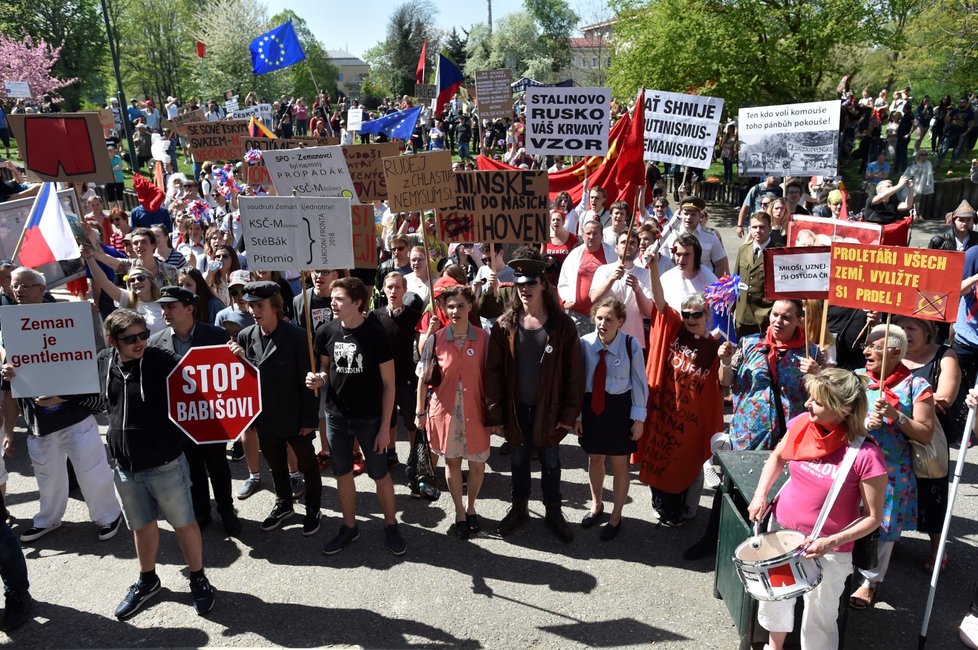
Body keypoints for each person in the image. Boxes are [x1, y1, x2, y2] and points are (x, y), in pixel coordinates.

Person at [747, 369, 887, 650]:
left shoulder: (867, 455)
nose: (807, 404)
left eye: (817, 401)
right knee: (777, 597)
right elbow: (777, 457)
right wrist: (760, 495)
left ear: (844, 409)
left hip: (830, 550)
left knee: (820, 615)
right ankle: (775, 647)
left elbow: (873, 517)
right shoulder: (801, 424)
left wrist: (830, 542)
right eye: (810, 397)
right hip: (782, 534)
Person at [97, 309, 215, 619]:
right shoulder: (103, 363)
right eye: (131, 338)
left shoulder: (160, 359)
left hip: (165, 464)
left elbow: (200, 371)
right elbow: (91, 400)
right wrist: (22, 377)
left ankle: (199, 578)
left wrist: (234, 356)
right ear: (112, 341)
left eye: (144, 335)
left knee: (184, 523)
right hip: (125, 467)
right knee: (141, 526)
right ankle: (147, 580)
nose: (140, 343)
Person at [0, 269, 123, 545]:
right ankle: (48, 520)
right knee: (47, 476)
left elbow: (83, 366)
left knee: (91, 471)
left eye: (25, 286)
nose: (18, 290)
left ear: (41, 289)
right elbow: (9, 387)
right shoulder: (10, 326)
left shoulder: (65, 320)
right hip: (38, 422)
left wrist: (63, 397)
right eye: (15, 286)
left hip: (74, 416)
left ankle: (109, 516)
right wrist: (9, 427)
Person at [485, 251, 584, 542]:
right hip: (516, 410)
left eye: (531, 283)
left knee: (551, 462)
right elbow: (493, 374)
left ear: (543, 284)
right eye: (520, 284)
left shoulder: (563, 326)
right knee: (517, 461)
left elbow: (574, 375)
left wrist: (568, 415)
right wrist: (496, 415)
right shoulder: (505, 325)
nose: (524, 289)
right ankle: (519, 508)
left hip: (550, 411)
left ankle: (554, 510)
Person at [307, 277, 406, 556]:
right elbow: (326, 370)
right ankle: (349, 527)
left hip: (370, 419)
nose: (332, 303)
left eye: (338, 299)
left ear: (358, 302)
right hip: (336, 417)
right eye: (332, 298)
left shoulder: (376, 335)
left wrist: (385, 427)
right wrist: (318, 379)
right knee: (343, 475)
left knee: (380, 475)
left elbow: (389, 384)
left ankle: (390, 524)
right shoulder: (325, 331)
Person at [850, 324, 936, 609]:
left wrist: (896, 416)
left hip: (891, 470)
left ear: (895, 352)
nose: (866, 350)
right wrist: (861, 425)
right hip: (854, 464)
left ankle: (870, 581)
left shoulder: (917, 387)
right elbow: (838, 418)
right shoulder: (856, 379)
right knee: (848, 516)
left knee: (881, 527)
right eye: (867, 345)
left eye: (875, 346)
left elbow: (925, 433)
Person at [638, 261, 728, 526]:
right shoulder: (675, 328)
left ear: (707, 314)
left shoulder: (716, 347)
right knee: (658, 458)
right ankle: (662, 504)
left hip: (692, 420)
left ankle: (688, 509)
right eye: (686, 313)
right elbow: (659, 300)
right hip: (665, 411)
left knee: (688, 462)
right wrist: (653, 268)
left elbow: (725, 382)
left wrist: (726, 361)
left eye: (696, 314)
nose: (690, 319)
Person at [229, 282, 321, 536]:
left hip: (294, 414)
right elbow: (248, 378)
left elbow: (308, 381)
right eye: (251, 305)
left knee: (307, 464)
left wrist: (309, 418)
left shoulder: (297, 336)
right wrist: (238, 359)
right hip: (265, 416)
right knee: (276, 464)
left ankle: (313, 509)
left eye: (259, 305)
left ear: (275, 306)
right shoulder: (247, 336)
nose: (254, 310)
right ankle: (284, 504)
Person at [149, 286, 240, 536]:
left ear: (189, 308)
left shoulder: (217, 336)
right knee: (192, 469)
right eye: (163, 307)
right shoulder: (156, 343)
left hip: (213, 418)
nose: (165, 311)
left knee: (218, 466)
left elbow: (234, 376)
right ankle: (202, 513)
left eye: (171, 306)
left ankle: (227, 511)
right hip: (180, 421)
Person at [415, 285, 489, 540]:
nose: (455, 310)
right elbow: (422, 379)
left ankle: (472, 508)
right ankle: (459, 512)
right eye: (450, 306)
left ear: (470, 306)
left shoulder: (483, 338)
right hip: (445, 411)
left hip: (476, 412)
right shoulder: (436, 338)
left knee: (478, 465)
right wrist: (419, 413)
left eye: (460, 305)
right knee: (453, 462)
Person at [577, 296, 647, 540]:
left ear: (620, 321)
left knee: (619, 464)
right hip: (592, 408)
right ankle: (596, 505)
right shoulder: (584, 343)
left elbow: (639, 383)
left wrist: (639, 419)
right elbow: (577, 383)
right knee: (595, 458)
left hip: (619, 409)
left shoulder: (631, 345)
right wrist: (577, 416)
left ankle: (616, 516)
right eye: (599, 318)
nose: (602, 323)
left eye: (609, 319)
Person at [897, 315, 959, 571]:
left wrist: (907, 402)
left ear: (927, 331)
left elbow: (945, 397)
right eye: (899, 328)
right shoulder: (892, 353)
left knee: (930, 495)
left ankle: (937, 548)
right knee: (894, 489)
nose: (904, 333)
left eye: (910, 328)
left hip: (928, 439)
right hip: (895, 434)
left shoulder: (944, 355)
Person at [723, 299, 822, 450]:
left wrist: (818, 374)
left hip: (789, 437)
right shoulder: (749, 343)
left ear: (798, 320)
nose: (778, 321)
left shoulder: (812, 352)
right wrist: (725, 362)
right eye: (775, 314)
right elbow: (725, 381)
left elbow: (826, 396)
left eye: (786, 317)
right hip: (748, 434)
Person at [371, 272, 422, 473]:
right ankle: (390, 452)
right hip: (384, 380)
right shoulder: (375, 316)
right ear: (383, 289)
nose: (393, 291)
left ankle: (414, 455)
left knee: (411, 422)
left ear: (404, 290)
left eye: (397, 287)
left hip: (407, 378)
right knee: (388, 419)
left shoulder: (414, 317)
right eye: (389, 287)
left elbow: (422, 346)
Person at [589, 230, 653, 349]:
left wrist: (638, 290)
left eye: (632, 243)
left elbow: (648, 312)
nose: (628, 245)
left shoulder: (645, 274)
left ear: (638, 250)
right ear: (616, 247)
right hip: (604, 338)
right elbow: (594, 298)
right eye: (624, 242)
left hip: (632, 341)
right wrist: (611, 279)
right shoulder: (603, 270)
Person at [558, 219, 618, 336]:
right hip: (578, 313)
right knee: (578, 348)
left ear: (601, 235)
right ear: (583, 235)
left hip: (604, 316)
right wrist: (565, 299)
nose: (591, 236)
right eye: (588, 233)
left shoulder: (612, 255)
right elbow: (563, 280)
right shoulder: (574, 255)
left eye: (595, 233)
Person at [733, 211, 784, 338]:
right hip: (742, 315)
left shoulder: (778, 252)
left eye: (762, 227)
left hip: (764, 315)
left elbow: (783, 286)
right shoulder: (743, 249)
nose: (758, 230)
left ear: (770, 228)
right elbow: (735, 279)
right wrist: (732, 307)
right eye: (754, 227)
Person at [657, 196, 728, 277]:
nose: (689, 217)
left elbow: (720, 265)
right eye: (686, 214)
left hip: (703, 284)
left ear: (700, 216)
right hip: (677, 283)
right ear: (680, 214)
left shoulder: (710, 237)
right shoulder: (671, 235)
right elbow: (662, 259)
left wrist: (713, 287)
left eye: (693, 214)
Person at [658, 233, 717, 314]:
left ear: (696, 255)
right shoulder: (666, 278)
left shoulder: (710, 280)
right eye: (678, 254)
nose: (681, 260)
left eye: (686, 255)